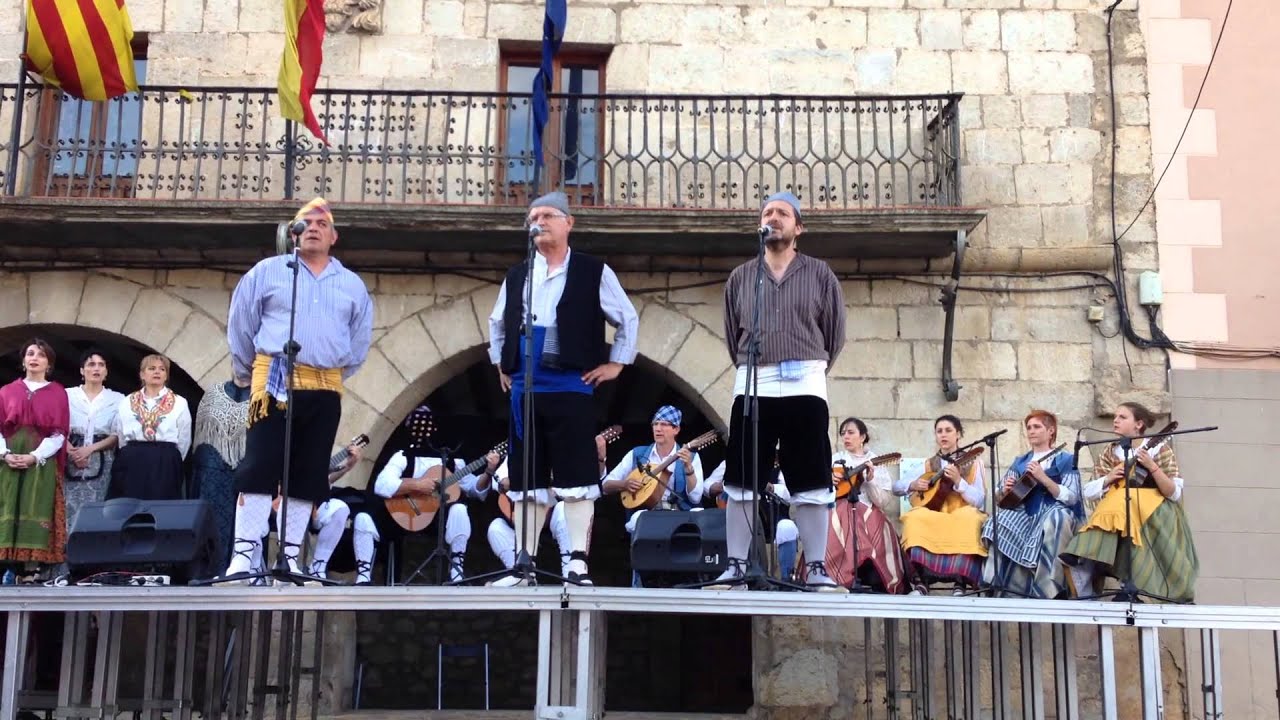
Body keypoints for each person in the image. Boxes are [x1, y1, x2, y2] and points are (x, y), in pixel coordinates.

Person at [487, 191, 639, 584]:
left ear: (568, 223)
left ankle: (576, 562)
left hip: (571, 384)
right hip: (526, 389)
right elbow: (497, 322)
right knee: (526, 479)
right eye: (533, 217)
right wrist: (501, 365)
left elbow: (627, 317)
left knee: (576, 477)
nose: (538, 222)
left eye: (547, 215)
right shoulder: (519, 273)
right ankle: (525, 564)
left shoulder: (593, 271)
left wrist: (617, 364)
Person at [222, 197, 374, 580]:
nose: (314, 227)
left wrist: (330, 366)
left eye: (322, 223)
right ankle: (245, 554)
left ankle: (290, 556)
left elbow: (357, 344)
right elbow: (241, 324)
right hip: (274, 376)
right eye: (306, 221)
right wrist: (246, 369)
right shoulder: (269, 271)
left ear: (334, 236)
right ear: (293, 232)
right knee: (259, 464)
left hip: (325, 384)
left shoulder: (351, 284)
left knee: (307, 473)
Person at [714, 191, 847, 592]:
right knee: (742, 474)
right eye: (768, 212)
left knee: (809, 474)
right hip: (755, 379)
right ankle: (736, 565)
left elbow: (835, 333)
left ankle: (818, 567)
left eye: (783, 213)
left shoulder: (820, 273)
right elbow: (731, 331)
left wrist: (812, 364)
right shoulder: (742, 276)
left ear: (798, 228)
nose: (774, 218)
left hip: (805, 378)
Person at [346, 405, 499, 585]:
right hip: (402, 517)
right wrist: (417, 485)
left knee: (459, 509)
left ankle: (456, 572)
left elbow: (475, 489)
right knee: (364, 517)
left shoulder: (451, 461)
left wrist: (489, 470)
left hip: (436, 520)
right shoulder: (402, 456)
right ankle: (363, 577)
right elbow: (381, 485)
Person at [1061, 402, 1198, 602]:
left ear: (1139, 424)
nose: (1115, 420)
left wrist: (1152, 467)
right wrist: (1108, 478)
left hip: (1158, 511)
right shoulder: (1111, 451)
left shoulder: (1158, 449)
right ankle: (1116, 579)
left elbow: (1174, 493)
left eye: (1122, 417)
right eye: (1115, 416)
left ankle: (1085, 556)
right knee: (1122, 500)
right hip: (1124, 512)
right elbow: (1089, 492)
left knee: (1123, 499)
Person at [601, 405, 705, 587]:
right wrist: (624, 484)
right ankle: (640, 581)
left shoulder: (691, 458)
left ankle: (690, 579)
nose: (658, 428)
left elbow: (695, 498)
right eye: (655, 424)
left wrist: (688, 468)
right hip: (648, 515)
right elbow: (606, 485)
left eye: (664, 424)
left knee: (698, 516)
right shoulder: (637, 454)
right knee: (638, 520)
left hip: (678, 513)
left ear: (676, 429)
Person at [982, 410, 1081, 599]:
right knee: (998, 521)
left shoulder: (1065, 459)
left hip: (1053, 509)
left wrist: (1044, 478)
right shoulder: (1021, 461)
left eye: (1037, 427)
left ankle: (1051, 588)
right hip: (1025, 513)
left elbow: (1072, 496)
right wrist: (1006, 490)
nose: (1031, 431)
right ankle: (996, 582)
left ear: (1051, 431)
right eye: (1029, 427)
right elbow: (999, 495)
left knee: (1057, 519)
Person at [0, 339, 70, 583]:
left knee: (35, 506)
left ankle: (31, 570)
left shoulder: (57, 392)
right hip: (7, 461)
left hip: (40, 462)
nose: (34, 358)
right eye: (30, 353)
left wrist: (34, 456)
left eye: (41, 355)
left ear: (48, 363)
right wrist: (5, 454)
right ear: (22, 360)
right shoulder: (7, 391)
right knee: (6, 507)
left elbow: (59, 433)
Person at [896, 415, 987, 596]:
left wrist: (959, 481)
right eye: (939, 431)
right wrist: (913, 485)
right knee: (915, 517)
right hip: (934, 514)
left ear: (958, 434)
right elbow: (896, 487)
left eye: (948, 430)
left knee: (970, 518)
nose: (943, 435)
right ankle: (922, 582)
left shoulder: (974, 462)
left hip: (961, 511)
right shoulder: (929, 464)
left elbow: (980, 499)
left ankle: (960, 582)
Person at [812, 417, 906, 593]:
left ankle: (866, 571)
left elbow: (883, 502)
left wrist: (870, 481)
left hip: (868, 512)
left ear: (862, 437)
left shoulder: (875, 462)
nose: (846, 437)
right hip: (837, 511)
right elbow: (819, 493)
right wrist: (828, 481)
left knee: (861, 518)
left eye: (850, 433)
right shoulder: (836, 459)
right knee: (839, 516)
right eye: (843, 434)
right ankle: (834, 577)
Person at [108, 354, 192, 501]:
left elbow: (184, 437)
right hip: (132, 459)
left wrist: (170, 458)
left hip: (164, 460)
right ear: (142, 374)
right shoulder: (127, 401)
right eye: (151, 368)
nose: (157, 372)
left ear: (166, 375)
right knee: (129, 504)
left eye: (162, 369)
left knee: (162, 508)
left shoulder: (179, 402)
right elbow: (121, 434)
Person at [192, 374, 251, 569]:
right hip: (213, 471)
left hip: (246, 468)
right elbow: (201, 434)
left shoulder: (261, 397)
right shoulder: (214, 393)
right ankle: (205, 571)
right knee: (210, 522)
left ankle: (238, 569)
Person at [64, 349, 123, 532]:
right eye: (91, 364)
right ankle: (64, 554)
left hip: (102, 457)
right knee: (66, 505)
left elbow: (117, 434)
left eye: (101, 364)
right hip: (69, 455)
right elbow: (56, 428)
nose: (96, 368)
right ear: (82, 371)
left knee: (98, 505)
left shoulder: (118, 399)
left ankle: (91, 553)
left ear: (106, 371)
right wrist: (71, 451)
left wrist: (89, 450)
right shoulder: (66, 395)